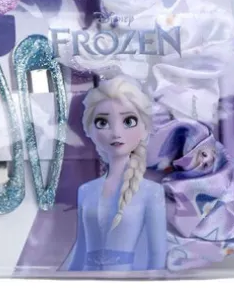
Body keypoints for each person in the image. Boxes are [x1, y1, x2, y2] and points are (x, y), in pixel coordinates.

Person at [64, 76, 167, 272]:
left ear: (145, 129)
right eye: (102, 122)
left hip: (127, 282)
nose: (116, 132)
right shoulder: (86, 190)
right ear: (89, 130)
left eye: (129, 121)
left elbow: (157, 255)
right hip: (86, 281)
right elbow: (81, 249)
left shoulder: (152, 192)